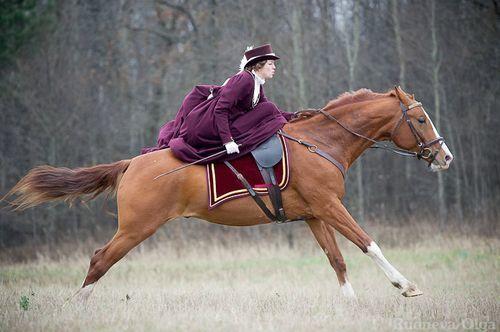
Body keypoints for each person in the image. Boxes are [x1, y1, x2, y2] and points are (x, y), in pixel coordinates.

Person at [141, 44, 295, 163]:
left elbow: (270, 109)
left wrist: (296, 116)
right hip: (208, 126)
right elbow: (221, 109)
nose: (274, 67)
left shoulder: (256, 84)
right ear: (258, 65)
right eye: (270, 64)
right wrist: (227, 141)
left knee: (268, 108)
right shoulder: (244, 80)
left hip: (226, 124)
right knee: (268, 108)